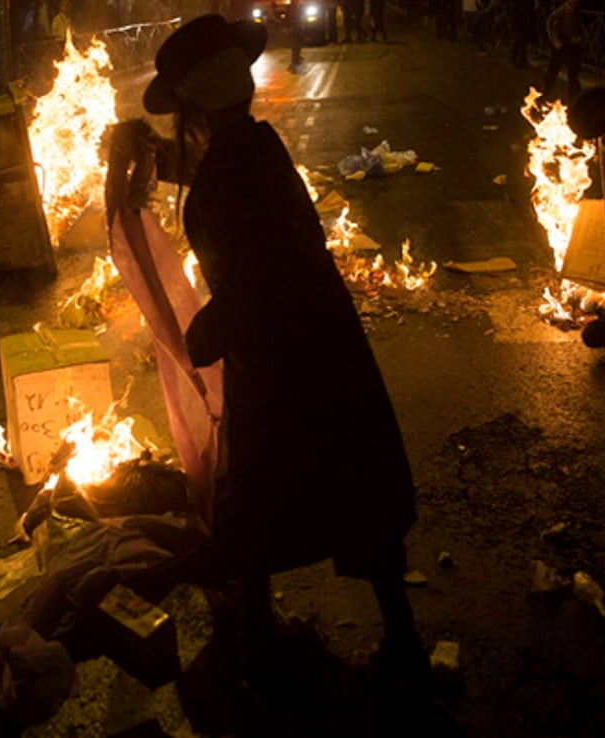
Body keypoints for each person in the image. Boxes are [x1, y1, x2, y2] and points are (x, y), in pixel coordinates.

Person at [113, 14, 429, 697]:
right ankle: (401, 642)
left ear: (193, 106)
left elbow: (255, 274)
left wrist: (203, 333)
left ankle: (255, 642)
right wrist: (148, 160)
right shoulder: (255, 146)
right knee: (350, 487)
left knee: (253, 498)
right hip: (324, 346)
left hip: (279, 360)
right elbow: (221, 186)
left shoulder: (231, 172)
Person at [543, 0, 584, 102]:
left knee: (573, 73)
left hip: (573, 46)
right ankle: (547, 90)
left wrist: (579, 37)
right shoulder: (560, 11)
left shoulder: (578, 12)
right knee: (553, 69)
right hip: (561, 45)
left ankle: (574, 96)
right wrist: (555, 40)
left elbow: (582, 26)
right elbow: (550, 24)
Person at [511, 0, 535, 68]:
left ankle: (516, 56)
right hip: (524, 17)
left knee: (520, 39)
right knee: (522, 40)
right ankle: (521, 60)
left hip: (520, 16)